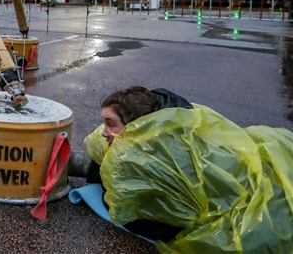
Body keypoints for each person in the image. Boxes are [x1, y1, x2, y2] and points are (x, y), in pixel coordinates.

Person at [83, 86, 293, 252]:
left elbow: (161, 222)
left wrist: (109, 193)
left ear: (135, 125)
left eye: (111, 124)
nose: (104, 132)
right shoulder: (166, 122)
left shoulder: (160, 162)